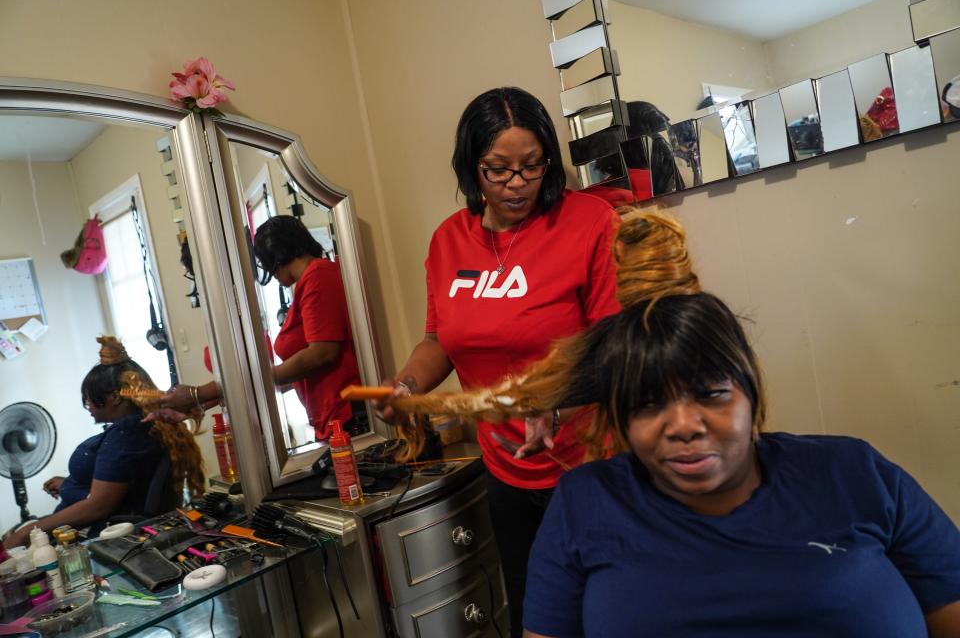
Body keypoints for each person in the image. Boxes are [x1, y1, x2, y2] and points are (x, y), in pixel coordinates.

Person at [389, 211, 960, 636]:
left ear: (750, 390)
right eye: (646, 404)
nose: (683, 425)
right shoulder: (585, 506)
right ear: (618, 416)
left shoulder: (854, 475)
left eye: (711, 394)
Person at [379, 86, 621, 638]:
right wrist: (408, 385)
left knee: (605, 617)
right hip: (506, 472)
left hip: (589, 469)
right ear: (471, 168)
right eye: (498, 170)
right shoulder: (448, 241)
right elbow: (441, 339)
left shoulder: (589, 221)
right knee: (535, 618)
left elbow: (614, 345)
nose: (517, 183)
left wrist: (556, 407)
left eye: (532, 166)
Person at [162, 215, 362, 441]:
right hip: (328, 418)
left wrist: (198, 394)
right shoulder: (308, 283)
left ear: (274, 256)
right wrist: (203, 401)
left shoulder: (318, 276)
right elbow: (297, 371)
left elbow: (321, 354)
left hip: (343, 415)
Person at [1, 336, 205, 547]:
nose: (87, 404)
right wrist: (69, 485)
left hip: (106, 536)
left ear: (115, 398)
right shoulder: (150, 426)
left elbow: (98, 506)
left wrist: (27, 532)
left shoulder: (127, 433)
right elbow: (124, 485)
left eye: (89, 397)